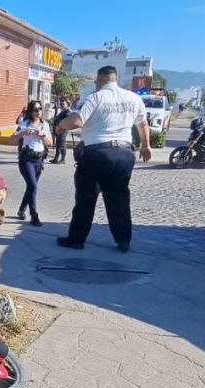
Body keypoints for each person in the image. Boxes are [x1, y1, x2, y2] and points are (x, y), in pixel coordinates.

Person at [56, 65, 150, 253]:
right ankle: (123, 241)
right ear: (116, 79)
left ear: (99, 80)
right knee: (119, 199)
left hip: (96, 154)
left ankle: (76, 240)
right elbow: (142, 124)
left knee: (86, 199)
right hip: (124, 154)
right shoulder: (134, 98)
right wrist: (146, 146)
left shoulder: (96, 97)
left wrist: (60, 125)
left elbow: (76, 121)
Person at [10, 100, 52, 227]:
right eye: (35, 109)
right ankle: (34, 215)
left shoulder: (45, 125)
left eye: (40, 109)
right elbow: (12, 140)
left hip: (39, 159)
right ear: (30, 111)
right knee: (33, 186)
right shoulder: (25, 124)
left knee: (31, 187)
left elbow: (49, 143)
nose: (38, 112)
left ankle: (22, 209)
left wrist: (43, 135)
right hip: (27, 159)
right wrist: (23, 133)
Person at [50, 98, 71, 164]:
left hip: (62, 130)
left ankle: (63, 159)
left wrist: (61, 128)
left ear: (67, 105)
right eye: (61, 104)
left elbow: (67, 121)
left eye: (63, 104)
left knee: (62, 145)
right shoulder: (62, 111)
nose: (61, 105)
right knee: (58, 145)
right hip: (58, 130)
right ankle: (56, 158)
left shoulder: (68, 112)